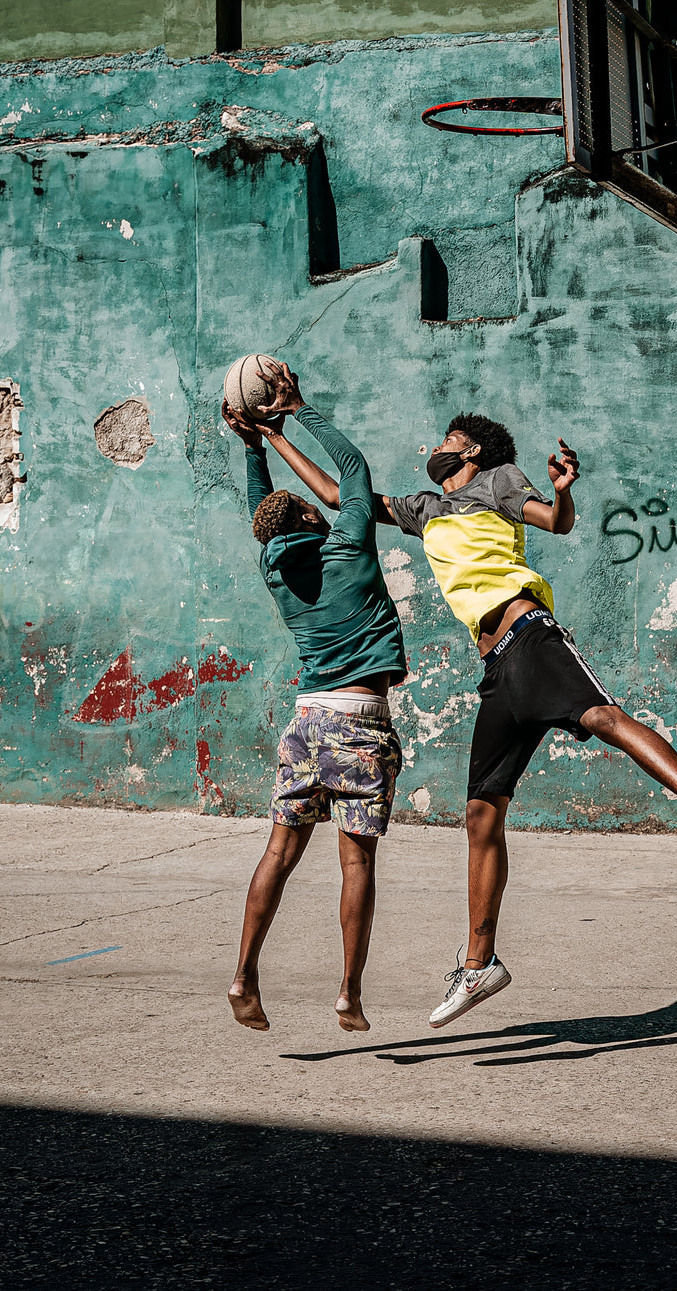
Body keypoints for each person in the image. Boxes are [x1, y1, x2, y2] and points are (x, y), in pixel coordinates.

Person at [258, 404, 677, 1028]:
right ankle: (479, 964)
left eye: (446, 442)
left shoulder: (500, 480)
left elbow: (555, 522)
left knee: (600, 717)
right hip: (495, 668)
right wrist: (276, 436)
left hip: (530, 638)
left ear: (469, 453)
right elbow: (341, 494)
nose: (433, 449)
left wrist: (565, 491)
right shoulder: (426, 509)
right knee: (480, 815)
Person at [222, 361, 406, 1034]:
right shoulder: (348, 546)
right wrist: (297, 411)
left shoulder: (276, 571)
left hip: (305, 723)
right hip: (360, 723)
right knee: (354, 859)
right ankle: (349, 992)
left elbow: (260, 513)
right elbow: (352, 472)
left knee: (278, 852)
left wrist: (252, 445)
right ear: (307, 512)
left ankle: (243, 973)